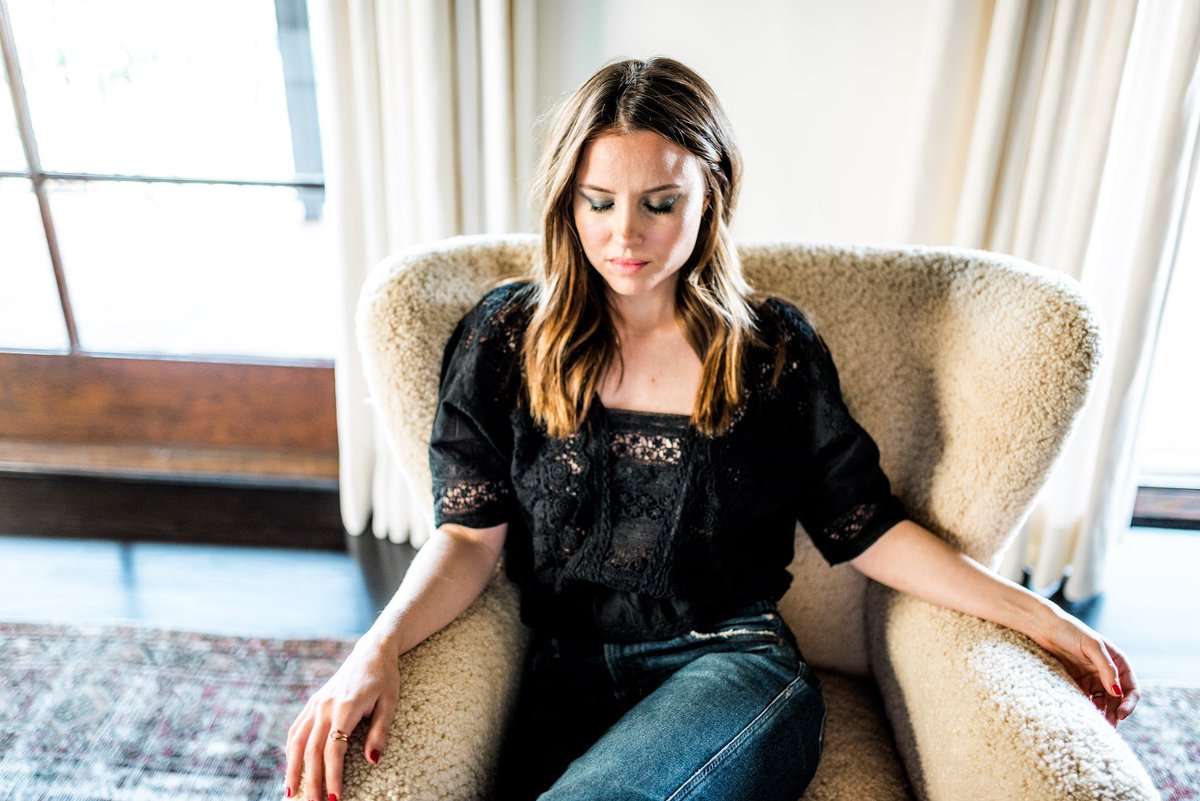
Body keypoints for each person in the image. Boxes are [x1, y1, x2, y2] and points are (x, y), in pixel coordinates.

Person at [284, 56, 1140, 801]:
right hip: (565, 673)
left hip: (734, 666)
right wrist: (377, 647)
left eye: (660, 202)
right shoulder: (508, 335)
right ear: (567, 201)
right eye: (598, 202)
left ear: (711, 195)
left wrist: (1041, 617)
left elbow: (864, 527)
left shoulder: (771, 350)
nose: (625, 234)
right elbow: (469, 538)